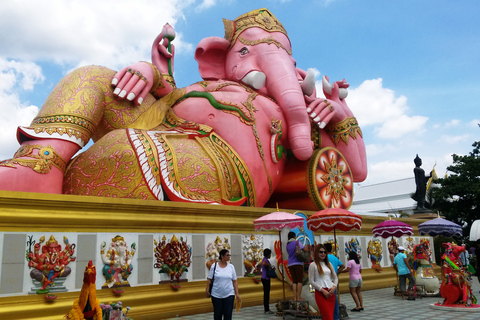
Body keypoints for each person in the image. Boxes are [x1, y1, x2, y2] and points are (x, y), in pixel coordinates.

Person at [205, 249, 241, 320]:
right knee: (217, 314)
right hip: (216, 294)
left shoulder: (231, 267)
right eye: (227, 255)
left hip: (229, 294)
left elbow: (234, 281)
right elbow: (209, 279)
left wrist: (237, 293)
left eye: (229, 255)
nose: (229, 257)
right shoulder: (214, 266)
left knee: (228, 314)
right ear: (222, 256)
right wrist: (207, 289)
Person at [308, 244, 338, 320]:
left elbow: (335, 277)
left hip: (331, 292)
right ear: (316, 253)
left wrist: (334, 287)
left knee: (329, 316)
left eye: (325, 252)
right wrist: (322, 290)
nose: (323, 254)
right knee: (328, 317)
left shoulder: (329, 264)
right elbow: (311, 281)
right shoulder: (313, 265)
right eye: (321, 252)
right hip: (320, 293)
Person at [325, 243, 345, 320]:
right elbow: (343, 266)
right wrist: (337, 272)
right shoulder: (334, 257)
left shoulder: (325, 258)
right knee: (335, 299)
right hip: (334, 280)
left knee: (327, 299)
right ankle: (336, 317)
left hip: (327, 279)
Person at [286, 231, 309, 301]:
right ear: (294, 236)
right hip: (298, 263)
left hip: (290, 264)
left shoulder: (287, 245)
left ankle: (295, 296)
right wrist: (307, 246)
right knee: (299, 281)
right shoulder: (297, 242)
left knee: (294, 281)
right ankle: (299, 296)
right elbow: (306, 249)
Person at [261, 248, 275, 314]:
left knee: (266, 294)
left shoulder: (265, 259)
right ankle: (267, 309)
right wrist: (270, 266)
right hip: (265, 278)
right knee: (266, 294)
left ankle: (266, 308)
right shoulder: (265, 260)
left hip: (266, 278)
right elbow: (264, 263)